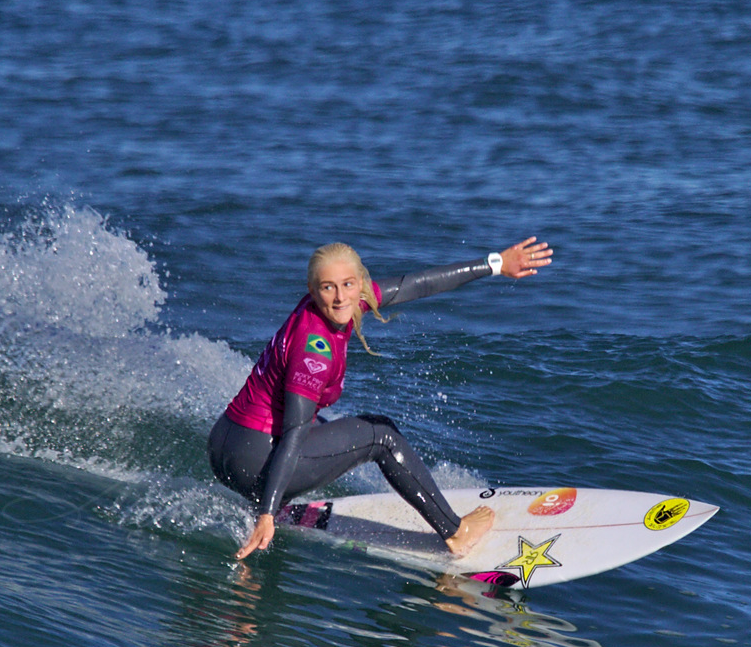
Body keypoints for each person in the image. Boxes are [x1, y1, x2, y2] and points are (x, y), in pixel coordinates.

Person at [208, 237, 553, 560]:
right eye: (328, 288)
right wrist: (267, 513)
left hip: (225, 445)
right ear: (313, 290)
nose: (340, 298)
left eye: (347, 285)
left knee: (327, 426)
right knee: (381, 435)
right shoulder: (316, 349)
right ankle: (455, 532)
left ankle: (268, 499)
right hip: (253, 464)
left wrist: (495, 264)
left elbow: (418, 284)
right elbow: (295, 432)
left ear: (361, 283)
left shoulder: (322, 307)